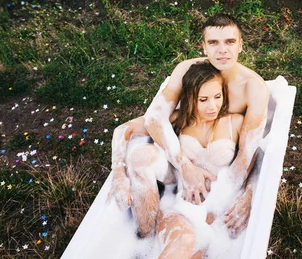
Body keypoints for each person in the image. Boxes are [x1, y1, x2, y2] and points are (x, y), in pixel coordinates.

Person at [108, 13, 269, 238]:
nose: (222, 50)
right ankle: (144, 236)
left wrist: (246, 195)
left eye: (230, 42)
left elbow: (250, 153)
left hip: (220, 177)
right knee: (141, 157)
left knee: (193, 234)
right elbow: (154, 119)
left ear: (241, 45)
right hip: (182, 163)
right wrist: (184, 166)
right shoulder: (187, 71)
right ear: (203, 46)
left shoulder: (253, 88)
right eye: (213, 42)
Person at [124, 61, 244, 258]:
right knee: (183, 243)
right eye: (203, 99)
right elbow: (129, 128)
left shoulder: (235, 122)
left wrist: (246, 196)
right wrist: (119, 171)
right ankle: (145, 238)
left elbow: (251, 166)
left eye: (217, 96)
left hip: (221, 211)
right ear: (189, 99)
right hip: (184, 207)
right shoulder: (178, 120)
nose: (212, 106)